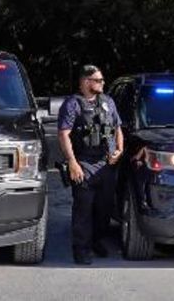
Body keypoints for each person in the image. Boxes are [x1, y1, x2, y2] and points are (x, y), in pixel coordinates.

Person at [58, 64, 125, 264]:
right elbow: (63, 134)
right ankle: (81, 249)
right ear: (86, 82)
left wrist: (119, 150)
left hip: (106, 163)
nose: (102, 83)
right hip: (84, 163)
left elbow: (117, 128)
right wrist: (72, 163)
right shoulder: (73, 104)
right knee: (83, 210)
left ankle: (96, 241)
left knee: (103, 209)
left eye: (102, 80)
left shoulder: (108, 102)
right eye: (98, 80)